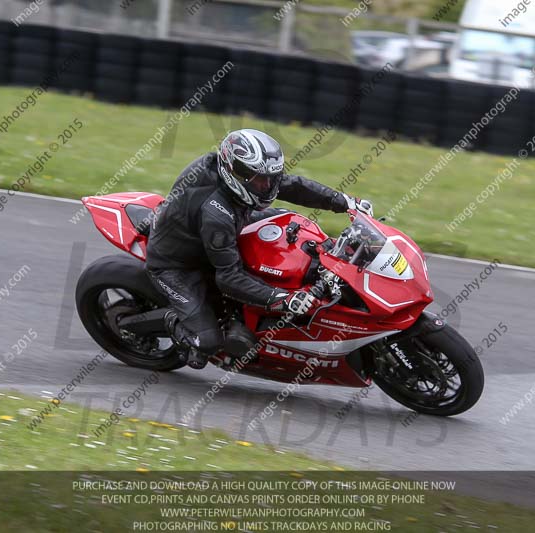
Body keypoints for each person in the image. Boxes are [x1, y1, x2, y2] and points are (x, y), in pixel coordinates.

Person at [145, 129, 373, 369]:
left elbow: (293, 186)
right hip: (175, 265)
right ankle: (179, 326)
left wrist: (345, 202)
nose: (267, 185)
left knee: (287, 219)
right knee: (208, 341)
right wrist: (283, 298)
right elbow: (228, 278)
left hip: (218, 229)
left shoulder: (240, 174)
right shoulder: (216, 214)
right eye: (260, 179)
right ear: (236, 173)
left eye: (270, 178)